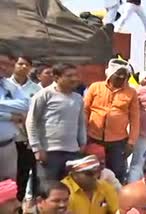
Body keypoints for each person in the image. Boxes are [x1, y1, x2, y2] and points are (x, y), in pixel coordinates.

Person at [26, 63, 86, 181]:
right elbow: (31, 121)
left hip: (72, 151)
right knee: (48, 189)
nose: (74, 79)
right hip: (49, 152)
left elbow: (80, 122)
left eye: (75, 75)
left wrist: (83, 142)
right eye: (69, 76)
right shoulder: (44, 94)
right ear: (56, 78)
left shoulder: (78, 98)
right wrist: (37, 148)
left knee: (69, 188)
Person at [84, 58, 140, 183]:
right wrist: (83, 136)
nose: (121, 79)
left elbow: (135, 119)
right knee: (92, 172)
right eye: (118, 76)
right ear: (109, 75)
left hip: (118, 142)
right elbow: (85, 111)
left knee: (116, 174)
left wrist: (131, 143)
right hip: (93, 138)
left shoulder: (131, 93)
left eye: (124, 76)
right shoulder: (95, 87)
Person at [9, 56, 41, 201]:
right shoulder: (4, 85)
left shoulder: (36, 89)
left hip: (25, 141)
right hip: (6, 140)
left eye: (27, 64)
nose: (23, 67)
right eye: (20, 63)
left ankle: (19, 205)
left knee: (22, 175)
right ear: (14, 65)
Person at [0, 43, 29, 180]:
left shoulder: (9, 86)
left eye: (7, 64)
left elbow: (25, 105)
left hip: (8, 146)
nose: (3, 67)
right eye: (0, 62)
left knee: (9, 188)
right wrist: (10, 115)